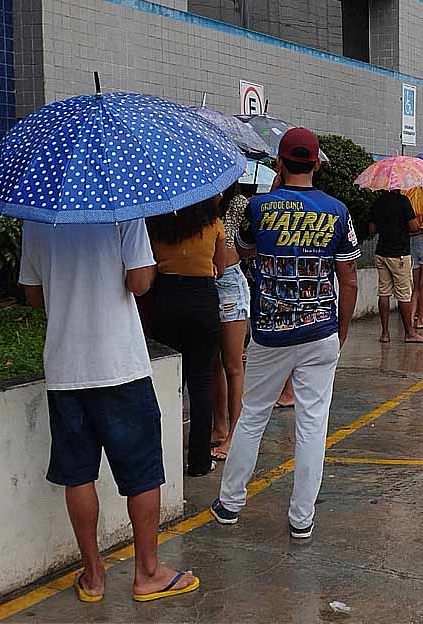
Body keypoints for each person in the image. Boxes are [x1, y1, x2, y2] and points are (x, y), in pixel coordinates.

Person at [20, 219, 198, 603]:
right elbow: (139, 282)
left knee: (78, 472)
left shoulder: (36, 214)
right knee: (142, 471)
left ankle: (94, 574)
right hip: (120, 364)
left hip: (66, 367)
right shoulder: (123, 206)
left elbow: (34, 295)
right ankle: (148, 573)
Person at [212, 127, 359, 540]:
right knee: (312, 424)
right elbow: (348, 279)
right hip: (320, 332)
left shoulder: (258, 209)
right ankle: (300, 518)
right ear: (315, 164)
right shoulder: (337, 212)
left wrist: (271, 199)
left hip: (270, 334)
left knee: (253, 415)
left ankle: (230, 503)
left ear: (279, 163)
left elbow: (233, 256)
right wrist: (341, 330)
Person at [141, 198, 226, 478]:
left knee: (170, 384)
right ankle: (199, 462)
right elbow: (221, 267)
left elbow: (149, 270)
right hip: (202, 300)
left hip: (167, 301)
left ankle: (163, 458)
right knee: (201, 384)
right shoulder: (214, 224)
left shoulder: (158, 224)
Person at [211, 185, 250, 463]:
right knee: (214, 363)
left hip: (228, 284)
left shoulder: (237, 203)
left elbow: (239, 250)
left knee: (233, 364)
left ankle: (234, 432)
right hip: (204, 282)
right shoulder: (198, 202)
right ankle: (219, 425)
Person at [369, 189, 423, 344]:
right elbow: (414, 226)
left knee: (384, 292)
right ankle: (409, 333)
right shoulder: (403, 201)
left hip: (381, 252)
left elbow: (372, 229)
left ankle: (385, 333)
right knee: (404, 294)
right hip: (399, 254)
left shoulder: (379, 201)